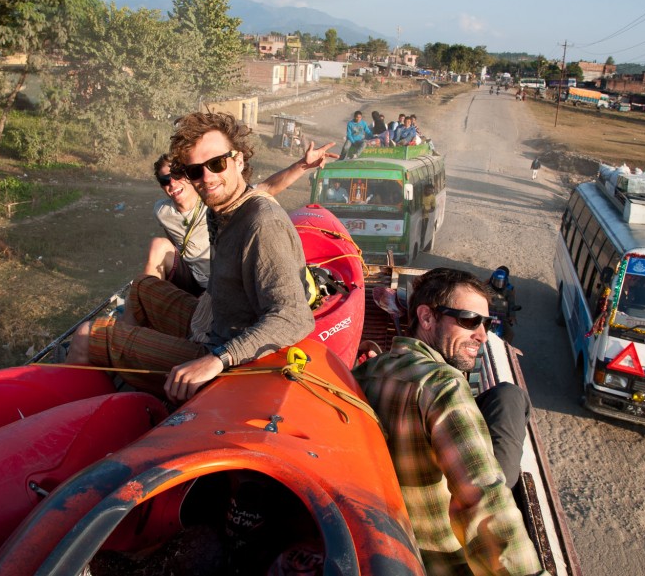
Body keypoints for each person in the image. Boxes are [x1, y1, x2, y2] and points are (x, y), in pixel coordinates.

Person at [68, 112, 316, 403]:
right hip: (212, 322)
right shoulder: (219, 212)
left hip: (226, 352)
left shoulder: (262, 223)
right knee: (143, 286)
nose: (207, 177)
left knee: (87, 334)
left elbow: (294, 318)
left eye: (216, 163)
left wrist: (217, 360)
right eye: (196, 171)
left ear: (239, 161)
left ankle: (78, 413)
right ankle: (126, 366)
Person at [353, 268, 542, 576]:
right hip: (442, 562)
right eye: (469, 320)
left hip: (382, 542)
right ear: (426, 318)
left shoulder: (366, 372)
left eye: (486, 322)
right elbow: (482, 495)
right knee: (509, 398)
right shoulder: (442, 384)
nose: (482, 334)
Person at [144, 141, 338, 296]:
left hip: (222, 281)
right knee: (158, 246)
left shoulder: (214, 201)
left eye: (177, 176)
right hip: (192, 279)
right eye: (165, 180)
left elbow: (267, 188)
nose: (172, 184)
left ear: (188, 177)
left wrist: (303, 164)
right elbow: (174, 242)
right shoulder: (162, 211)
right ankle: (149, 299)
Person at [488, 266, 517, 343]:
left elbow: (511, 304)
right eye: (496, 281)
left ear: (505, 281)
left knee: (510, 334)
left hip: (502, 318)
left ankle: (506, 349)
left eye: (500, 282)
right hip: (486, 316)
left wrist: (512, 316)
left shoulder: (508, 292)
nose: (498, 284)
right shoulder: (486, 289)